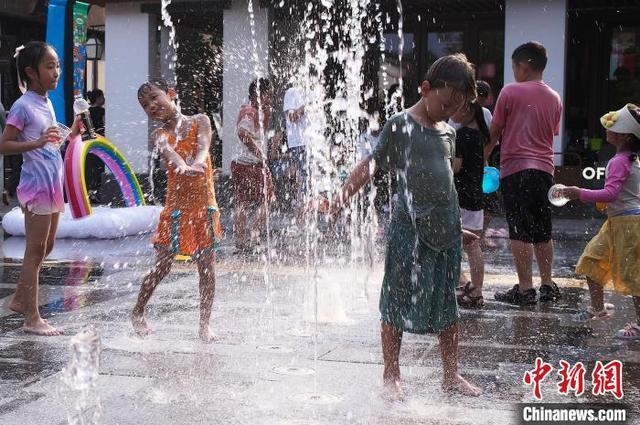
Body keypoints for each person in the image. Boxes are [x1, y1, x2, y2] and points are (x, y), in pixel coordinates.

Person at [330, 54, 481, 399]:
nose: (448, 112)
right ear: (425, 89)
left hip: (444, 230)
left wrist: (456, 227)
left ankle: (450, 374)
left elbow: (446, 186)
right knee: (396, 297)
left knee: (447, 302)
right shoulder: (400, 125)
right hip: (408, 228)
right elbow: (370, 167)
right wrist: (339, 201)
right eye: (445, 104)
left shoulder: (447, 132)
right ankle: (391, 375)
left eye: (455, 108)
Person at [0, 41, 82, 335]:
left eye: (57, 65)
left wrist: (70, 132)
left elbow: (49, 139)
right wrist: (35, 143)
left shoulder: (46, 102)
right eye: (50, 66)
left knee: (45, 246)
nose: (56, 71)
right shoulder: (22, 106)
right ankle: (31, 319)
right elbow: (4, 145)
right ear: (30, 72)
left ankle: (21, 299)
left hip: (52, 184)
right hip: (36, 186)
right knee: (34, 251)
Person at [132, 79, 222, 342]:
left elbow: (204, 145)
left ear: (171, 94)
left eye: (154, 98)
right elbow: (169, 153)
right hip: (176, 211)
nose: (151, 106)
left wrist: (197, 160)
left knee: (207, 268)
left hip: (204, 208)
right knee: (162, 266)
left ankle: (204, 325)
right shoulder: (159, 134)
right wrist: (181, 164)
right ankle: (138, 311)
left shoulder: (200, 120)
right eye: (145, 105)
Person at [484, 41, 563, 305]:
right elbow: (551, 134)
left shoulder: (510, 92)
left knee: (519, 230)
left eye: (515, 67)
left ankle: (526, 289)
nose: (514, 72)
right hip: (544, 172)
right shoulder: (554, 97)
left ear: (525, 67)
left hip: (516, 170)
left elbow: (494, 133)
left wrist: (483, 160)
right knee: (543, 229)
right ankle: (548, 284)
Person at [559, 104, 640, 340]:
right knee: (591, 261)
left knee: (633, 275)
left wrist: (578, 192)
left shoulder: (620, 161)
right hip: (618, 223)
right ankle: (598, 308)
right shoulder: (630, 159)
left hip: (628, 225)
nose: (608, 129)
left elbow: (611, 194)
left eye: (615, 126)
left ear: (624, 136)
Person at [451, 99, 490, 308]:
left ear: (466, 110)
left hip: (461, 197)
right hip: (476, 196)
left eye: (455, 108)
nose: (451, 112)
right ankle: (476, 289)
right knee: (473, 246)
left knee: (451, 243)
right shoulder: (481, 135)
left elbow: (456, 167)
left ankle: (462, 285)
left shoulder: (461, 135)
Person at [231, 78, 274, 252]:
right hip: (253, 164)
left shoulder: (251, 110)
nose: (270, 100)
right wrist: (260, 155)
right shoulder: (249, 112)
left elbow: (259, 134)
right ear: (256, 95)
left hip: (241, 163)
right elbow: (243, 133)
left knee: (242, 202)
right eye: (268, 96)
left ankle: (242, 241)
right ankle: (254, 235)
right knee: (268, 199)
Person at [283, 86, 311, 211]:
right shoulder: (292, 92)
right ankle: (300, 221)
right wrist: (307, 106)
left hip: (313, 144)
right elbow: (291, 117)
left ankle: (308, 220)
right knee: (303, 184)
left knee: (312, 184)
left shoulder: (312, 92)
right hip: (300, 144)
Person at [86, 89, 106, 201]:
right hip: (100, 143)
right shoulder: (102, 111)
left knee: (90, 169)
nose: (104, 99)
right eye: (102, 96)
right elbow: (104, 125)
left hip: (89, 143)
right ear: (98, 98)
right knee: (99, 167)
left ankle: (90, 191)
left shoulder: (87, 111)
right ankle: (96, 192)